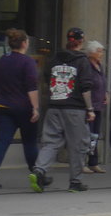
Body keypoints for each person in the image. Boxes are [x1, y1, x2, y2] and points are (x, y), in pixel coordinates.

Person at [30, 28, 96, 193]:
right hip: (75, 109)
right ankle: (75, 182)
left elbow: (46, 78)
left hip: (54, 107)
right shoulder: (83, 61)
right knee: (77, 145)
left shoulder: (53, 59)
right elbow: (85, 87)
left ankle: (39, 170)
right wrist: (90, 109)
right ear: (81, 41)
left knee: (50, 142)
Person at [0, 28, 41, 189]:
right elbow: (32, 86)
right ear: (24, 43)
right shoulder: (27, 61)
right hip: (23, 107)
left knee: (2, 141)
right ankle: (37, 174)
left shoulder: (2, 60)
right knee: (29, 142)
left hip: (3, 105)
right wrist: (35, 107)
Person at [83, 40, 109, 173]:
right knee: (85, 135)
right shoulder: (86, 65)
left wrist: (105, 93)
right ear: (91, 52)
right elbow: (85, 85)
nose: (101, 54)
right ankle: (82, 162)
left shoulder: (100, 66)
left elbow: (102, 82)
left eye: (101, 51)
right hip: (89, 105)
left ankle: (93, 161)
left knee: (95, 135)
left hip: (98, 105)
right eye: (99, 51)